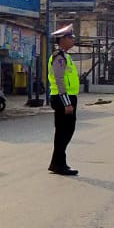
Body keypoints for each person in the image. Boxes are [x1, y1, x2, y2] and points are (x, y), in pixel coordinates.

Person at [47, 24, 80, 175]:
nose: (73, 40)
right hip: (62, 98)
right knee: (63, 131)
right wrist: (67, 102)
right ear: (62, 40)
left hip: (68, 97)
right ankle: (58, 164)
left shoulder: (66, 56)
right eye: (70, 37)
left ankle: (58, 162)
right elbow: (59, 80)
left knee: (66, 131)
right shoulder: (58, 57)